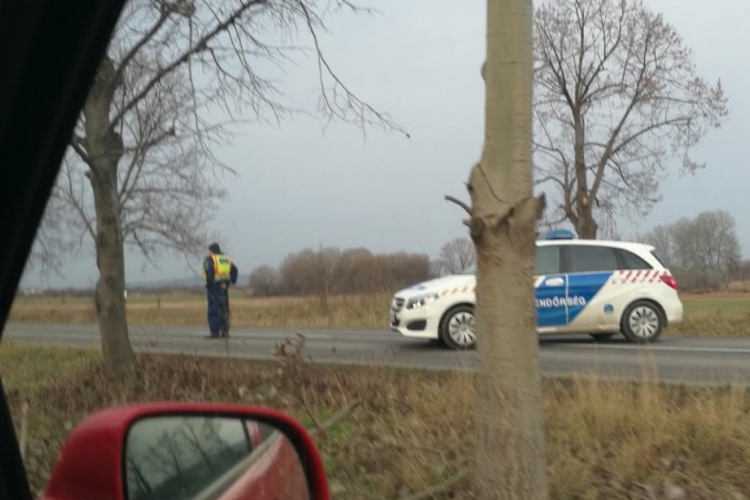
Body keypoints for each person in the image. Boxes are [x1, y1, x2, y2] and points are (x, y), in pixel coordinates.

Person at [203, 243, 238, 338]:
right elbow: (235, 270)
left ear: (212, 251)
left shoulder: (211, 259)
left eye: (209, 251)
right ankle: (225, 331)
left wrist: (209, 284)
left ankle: (215, 332)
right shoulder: (226, 259)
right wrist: (232, 281)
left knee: (214, 309)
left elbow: (209, 273)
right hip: (224, 287)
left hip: (214, 288)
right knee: (224, 309)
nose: (208, 252)